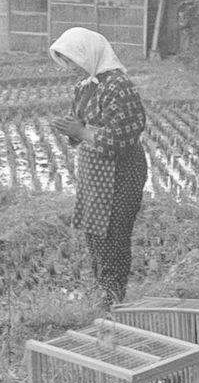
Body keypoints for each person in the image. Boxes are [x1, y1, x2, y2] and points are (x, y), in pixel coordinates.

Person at [49, 27, 148, 310]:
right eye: (66, 62)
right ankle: (103, 288)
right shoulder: (86, 86)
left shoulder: (119, 85)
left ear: (88, 54)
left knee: (114, 233)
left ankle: (114, 295)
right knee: (94, 231)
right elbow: (78, 126)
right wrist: (71, 130)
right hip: (94, 173)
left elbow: (124, 137)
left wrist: (81, 132)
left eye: (72, 60)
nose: (70, 68)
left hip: (121, 172)